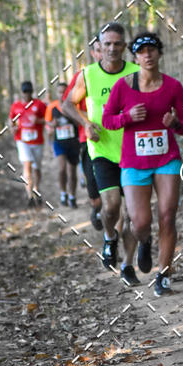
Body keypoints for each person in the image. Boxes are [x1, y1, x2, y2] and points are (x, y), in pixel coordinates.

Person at [102, 32, 183, 296]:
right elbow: (107, 120)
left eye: (152, 50)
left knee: (167, 214)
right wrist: (126, 117)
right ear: (135, 57)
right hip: (134, 162)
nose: (148, 55)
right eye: (142, 52)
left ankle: (163, 275)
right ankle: (144, 240)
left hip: (167, 159)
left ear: (159, 54)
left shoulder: (173, 86)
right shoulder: (123, 86)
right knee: (140, 222)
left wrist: (174, 124)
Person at [63, 23, 140, 284]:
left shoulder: (136, 72)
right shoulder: (88, 75)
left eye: (117, 43)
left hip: (135, 152)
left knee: (132, 215)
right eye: (107, 44)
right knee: (111, 207)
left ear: (124, 46)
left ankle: (128, 266)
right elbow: (68, 104)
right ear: (100, 47)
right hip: (103, 151)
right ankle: (109, 238)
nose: (112, 48)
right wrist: (85, 123)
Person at [62, 39, 103, 230]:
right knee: (93, 181)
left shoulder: (126, 75)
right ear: (93, 53)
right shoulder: (84, 76)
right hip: (89, 139)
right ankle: (96, 207)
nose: (106, 52)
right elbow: (67, 106)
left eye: (111, 46)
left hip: (121, 140)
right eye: (100, 50)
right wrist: (87, 120)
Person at [9, 82, 47, 207]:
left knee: (36, 168)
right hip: (22, 140)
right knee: (27, 165)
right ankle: (29, 195)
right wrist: (12, 127)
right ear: (21, 92)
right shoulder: (16, 106)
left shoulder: (39, 105)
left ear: (32, 91)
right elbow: (11, 121)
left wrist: (39, 120)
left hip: (37, 141)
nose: (27, 94)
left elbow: (48, 119)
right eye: (25, 92)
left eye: (29, 91)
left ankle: (36, 189)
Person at [45, 82, 80, 207]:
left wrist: (73, 117)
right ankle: (63, 193)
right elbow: (47, 123)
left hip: (73, 142)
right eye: (60, 92)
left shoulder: (73, 105)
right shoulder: (52, 107)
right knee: (62, 169)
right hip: (59, 142)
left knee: (72, 172)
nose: (62, 94)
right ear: (56, 93)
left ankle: (72, 196)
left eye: (64, 92)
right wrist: (52, 125)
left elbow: (80, 121)